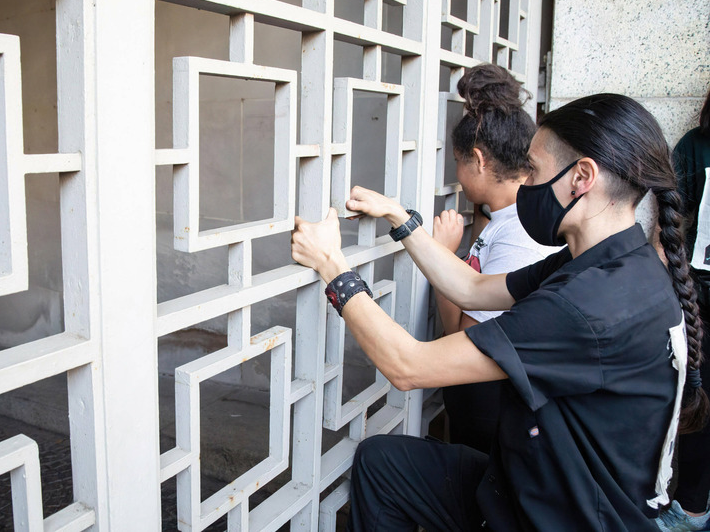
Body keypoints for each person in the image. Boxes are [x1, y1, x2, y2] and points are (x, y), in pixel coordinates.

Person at [291, 93, 708, 531]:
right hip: (535, 481)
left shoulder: (590, 304)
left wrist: (332, 266)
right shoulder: (610, 262)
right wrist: (402, 220)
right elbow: (471, 288)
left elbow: (407, 366)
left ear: (581, 176)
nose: (523, 183)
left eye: (533, 169)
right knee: (384, 462)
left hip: (563, 517)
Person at [434, 64, 557, 453]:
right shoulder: (513, 217)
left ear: (479, 159)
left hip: (490, 408)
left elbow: (462, 337)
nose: (456, 173)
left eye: (457, 160)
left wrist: (443, 256)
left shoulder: (519, 235)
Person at [657, 89, 710, 532]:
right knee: (700, 407)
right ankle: (691, 511)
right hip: (701, 302)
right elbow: (667, 231)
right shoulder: (695, 146)